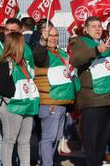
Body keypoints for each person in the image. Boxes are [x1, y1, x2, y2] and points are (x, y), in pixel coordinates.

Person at [70, 16, 110, 166]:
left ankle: (97, 162)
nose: (98, 29)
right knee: (91, 138)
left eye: (99, 26)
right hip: (93, 98)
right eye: (94, 26)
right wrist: (95, 50)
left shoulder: (104, 44)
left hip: (109, 98)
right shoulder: (79, 41)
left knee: (103, 138)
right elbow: (76, 60)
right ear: (85, 29)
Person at [33, 24, 77, 166]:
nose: (53, 38)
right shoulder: (43, 52)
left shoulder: (62, 54)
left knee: (57, 137)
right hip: (49, 100)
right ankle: (46, 163)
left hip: (63, 101)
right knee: (49, 137)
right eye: (50, 35)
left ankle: (47, 161)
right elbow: (38, 56)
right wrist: (42, 41)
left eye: (55, 36)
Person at [0, 32, 40, 166]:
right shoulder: (5, 62)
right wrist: (16, 92)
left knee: (25, 140)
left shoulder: (23, 62)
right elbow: (2, 86)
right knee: (9, 139)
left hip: (26, 104)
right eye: (22, 42)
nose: (24, 45)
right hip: (11, 104)